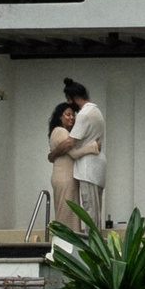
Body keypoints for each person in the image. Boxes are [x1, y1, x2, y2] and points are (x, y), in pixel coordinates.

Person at [65, 77, 107, 222]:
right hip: (97, 165)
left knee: (89, 210)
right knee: (96, 210)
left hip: (87, 168)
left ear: (75, 98)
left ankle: (91, 237)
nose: (68, 104)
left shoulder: (84, 114)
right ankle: (95, 235)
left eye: (69, 100)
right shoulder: (96, 111)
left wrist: (55, 151)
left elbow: (70, 142)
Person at [46, 100, 81, 229]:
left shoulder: (58, 132)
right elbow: (74, 153)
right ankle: (65, 239)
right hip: (65, 176)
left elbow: (53, 155)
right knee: (67, 213)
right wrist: (93, 147)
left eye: (73, 115)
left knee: (67, 211)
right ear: (60, 116)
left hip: (64, 176)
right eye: (68, 114)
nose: (72, 117)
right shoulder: (61, 131)